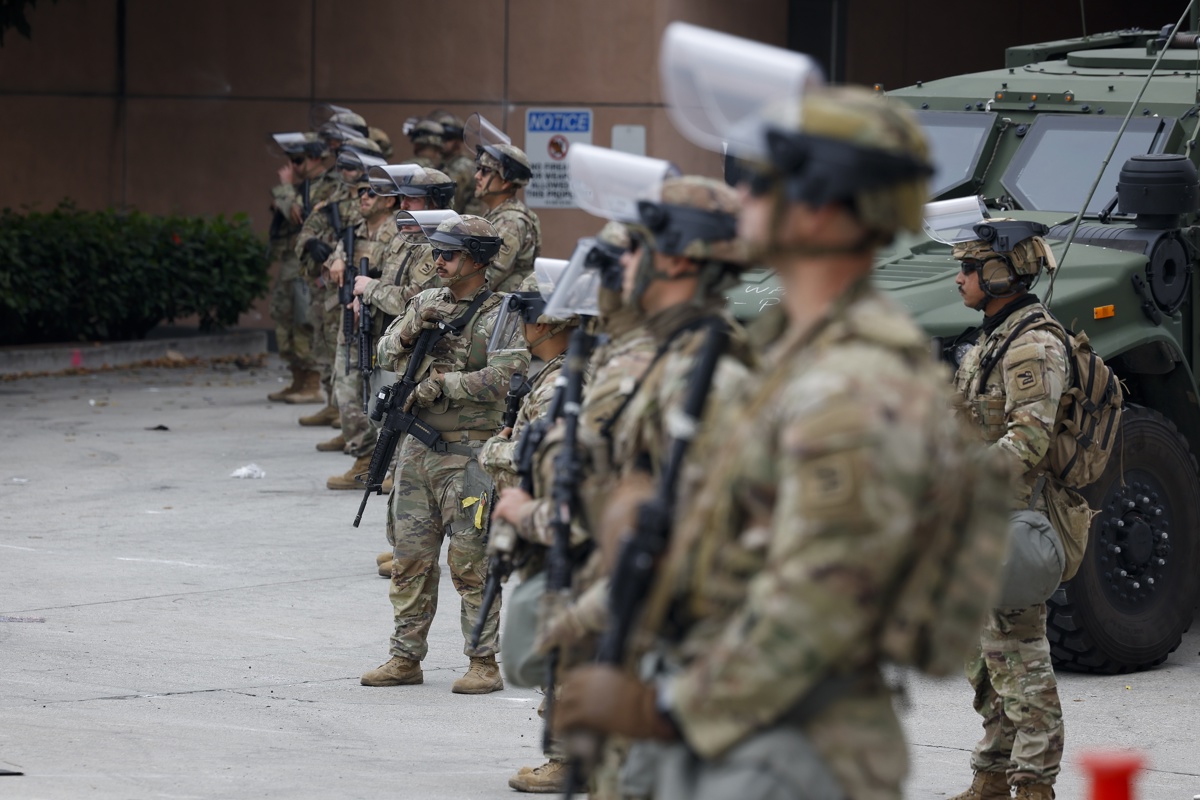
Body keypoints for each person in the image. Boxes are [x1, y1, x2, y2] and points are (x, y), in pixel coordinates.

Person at [553, 84, 987, 800]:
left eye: (757, 185)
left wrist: (659, 709)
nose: (738, 205)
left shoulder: (849, 379)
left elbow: (822, 604)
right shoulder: (790, 351)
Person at [362, 215, 529, 693]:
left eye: (449, 254)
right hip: (418, 450)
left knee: (470, 562)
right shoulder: (426, 301)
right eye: (437, 252)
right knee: (410, 558)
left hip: (471, 455)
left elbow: (507, 376)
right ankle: (405, 657)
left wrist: (444, 384)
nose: (438, 261)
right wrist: (413, 327)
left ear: (476, 259)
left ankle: (483, 662)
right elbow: (385, 350)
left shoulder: (503, 313)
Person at [948, 223, 1067, 800]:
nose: (959, 278)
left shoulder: (1032, 346)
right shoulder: (993, 339)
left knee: (1021, 659)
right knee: (985, 662)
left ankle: (1034, 784)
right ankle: (993, 774)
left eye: (967, 269)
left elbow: (1029, 442)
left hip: (1013, 520)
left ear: (997, 275)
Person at [352, 165, 458, 567]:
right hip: (401, 349)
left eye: (412, 200)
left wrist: (371, 289)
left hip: (427, 358)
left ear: (433, 204)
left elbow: (414, 299)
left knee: (412, 461)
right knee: (399, 454)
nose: (403, 205)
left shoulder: (442, 247)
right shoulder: (412, 242)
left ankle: (413, 551)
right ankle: (407, 548)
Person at [294, 138, 384, 425]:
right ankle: (341, 411)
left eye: (352, 166)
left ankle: (357, 421)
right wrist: (313, 245)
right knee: (330, 347)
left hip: (370, 292)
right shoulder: (334, 198)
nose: (345, 171)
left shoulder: (383, 198)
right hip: (335, 287)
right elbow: (309, 229)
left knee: (361, 360)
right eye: (342, 165)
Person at [319, 176, 399, 489]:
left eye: (370, 192)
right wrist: (336, 260)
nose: (362, 197)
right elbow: (330, 270)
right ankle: (364, 458)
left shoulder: (399, 233)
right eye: (361, 192)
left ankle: (391, 465)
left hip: (385, 325)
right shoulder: (352, 235)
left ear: (389, 200)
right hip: (352, 324)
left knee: (384, 396)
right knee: (346, 390)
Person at [267, 132, 339, 404]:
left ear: (317, 158)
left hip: (307, 266)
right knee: (284, 319)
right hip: (291, 263)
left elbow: (299, 215)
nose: (293, 167)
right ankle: (297, 378)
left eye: (298, 160)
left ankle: (310, 383)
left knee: (303, 320)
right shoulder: (305, 187)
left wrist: (284, 189)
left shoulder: (326, 185)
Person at [474, 139, 542, 292]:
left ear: (505, 182)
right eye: (478, 169)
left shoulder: (511, 222)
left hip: (503, 311)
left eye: (484, 171)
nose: (477, 176)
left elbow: (486, 279)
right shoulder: (496, 214)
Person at [429, 110, 486, 216]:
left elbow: (447, 202)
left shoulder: (464, 166)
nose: (442, 142)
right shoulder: (445, 163)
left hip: (462, 227)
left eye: (447, 138)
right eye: (440, 137)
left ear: (457, 140)